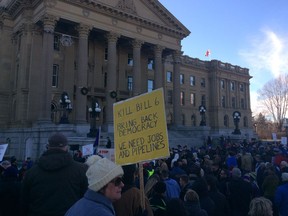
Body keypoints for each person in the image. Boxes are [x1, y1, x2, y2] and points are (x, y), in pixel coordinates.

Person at [20, 133, 88, 216]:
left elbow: (24, 203)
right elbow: (85, 201)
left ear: (48, 147)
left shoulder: (31, 172)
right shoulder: (81, 170)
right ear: (66, 147)